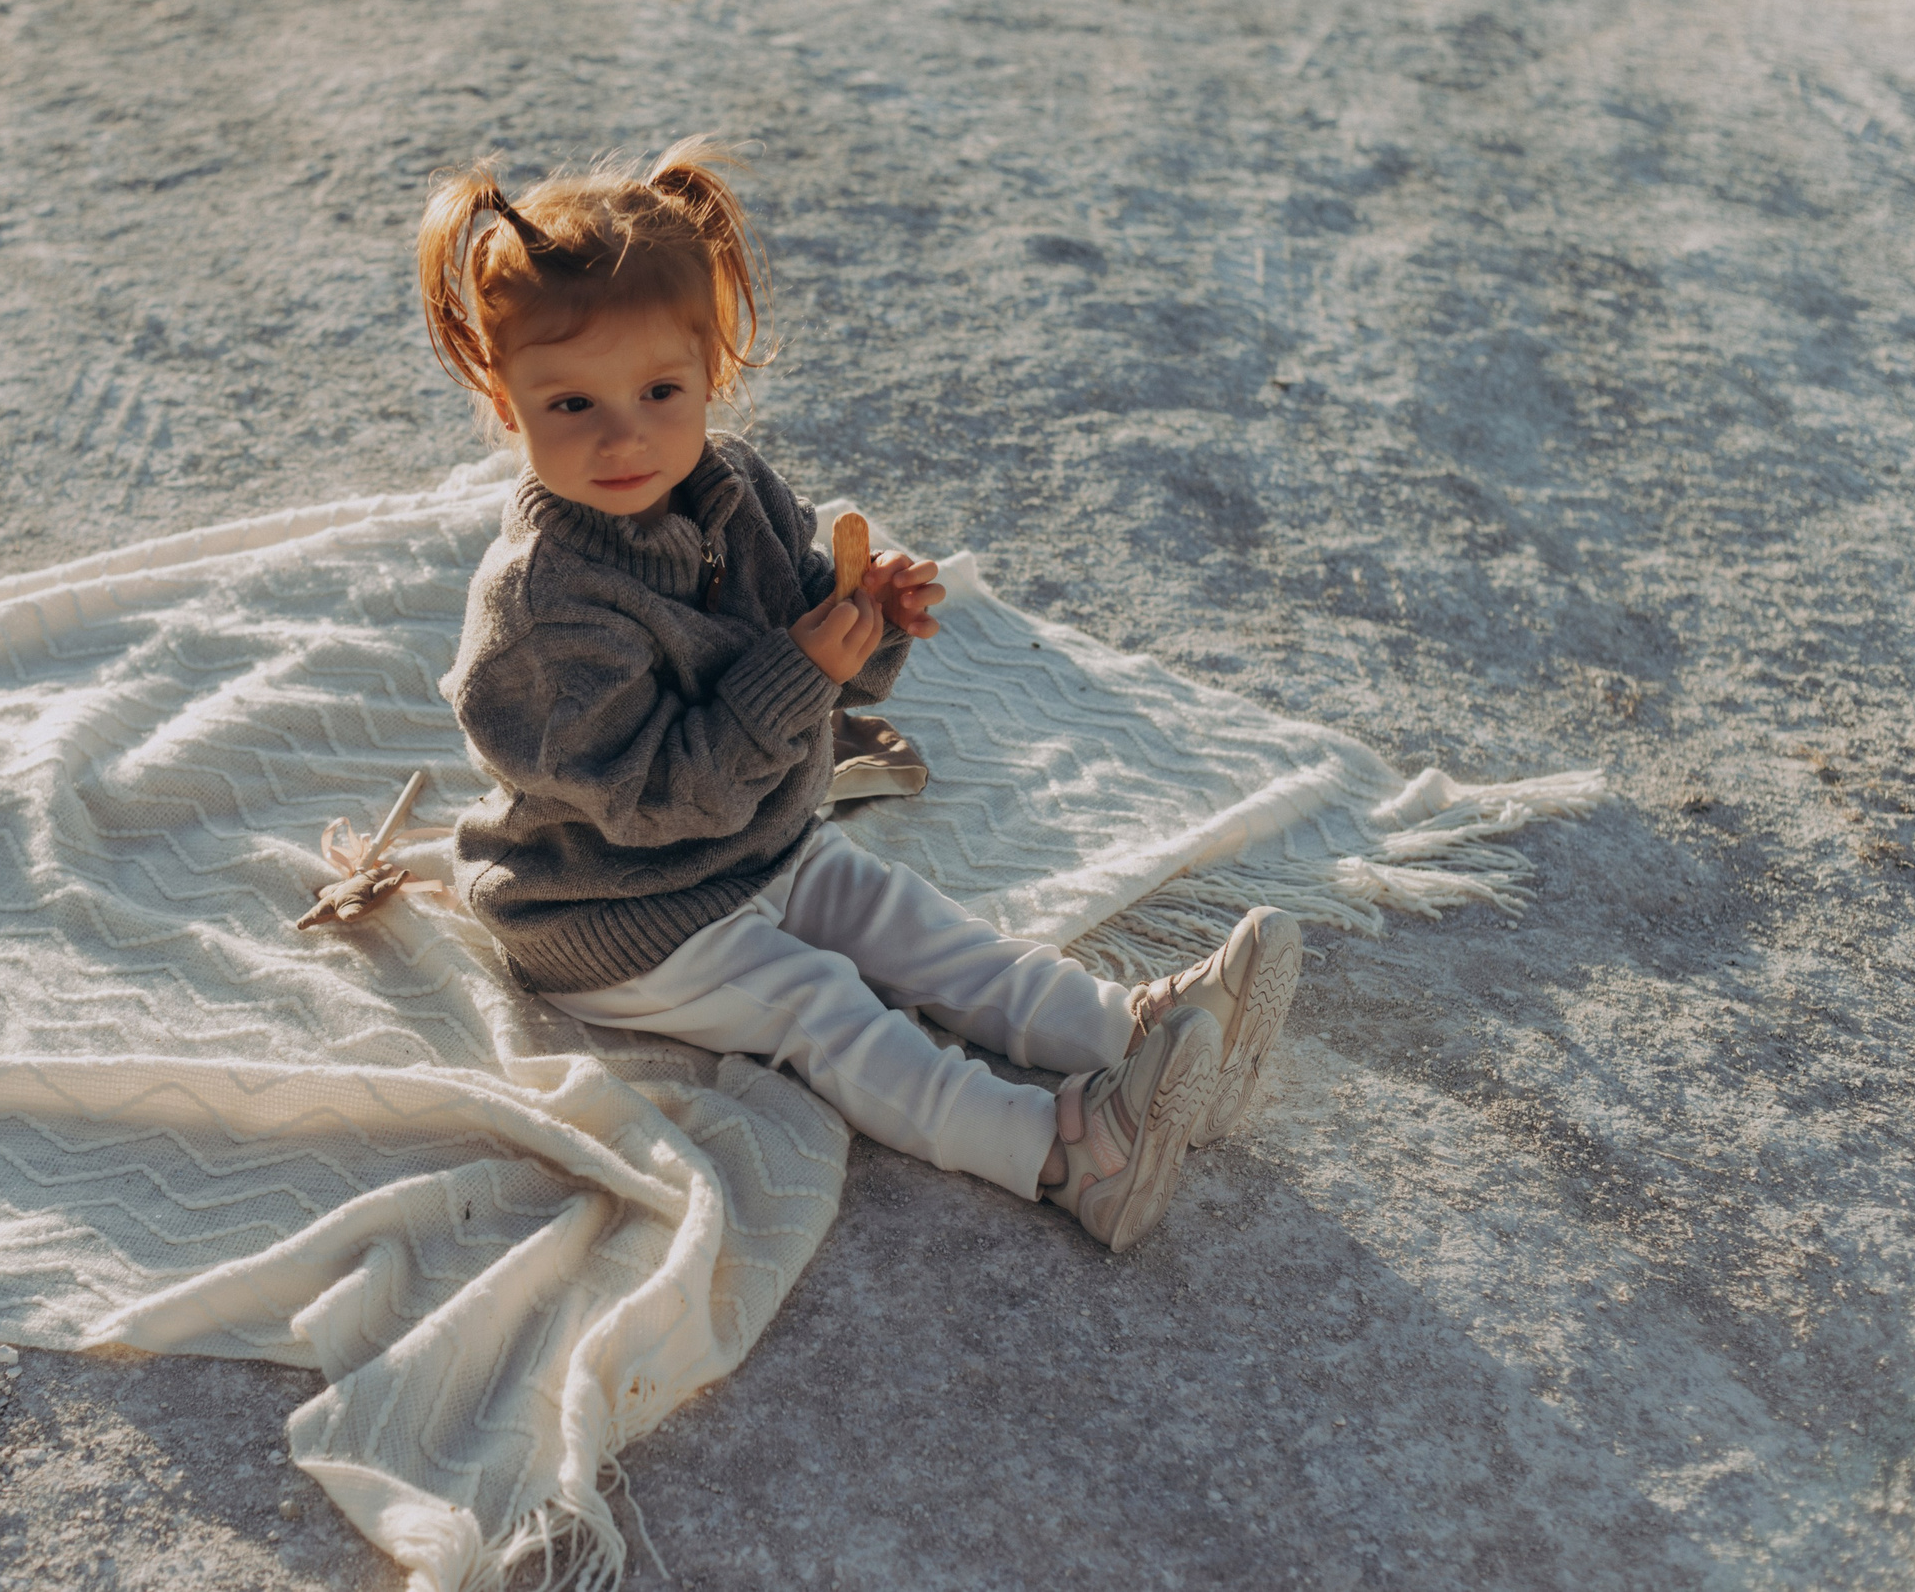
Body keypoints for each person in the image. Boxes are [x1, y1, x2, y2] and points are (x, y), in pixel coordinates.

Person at [421, 138, 1301, 1252]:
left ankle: (1127, 1033)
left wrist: (867, 618)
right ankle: (1063, 1153)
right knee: (823, 1007)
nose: (624, 435)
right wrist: (807, 666)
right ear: (506, 404)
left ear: (710, 368)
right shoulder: (540, 610)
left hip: (762, 840)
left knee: (925, 932)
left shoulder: (733, 484)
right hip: (619, 912)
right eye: (571, 404)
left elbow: (806, 649)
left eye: (658, 390)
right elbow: (655, 801)